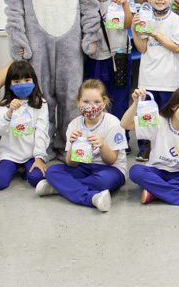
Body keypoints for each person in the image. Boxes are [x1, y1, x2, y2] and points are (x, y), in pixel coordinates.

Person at [36, 79, 127, 212]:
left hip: (110, 169)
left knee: (103, 181)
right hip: (83, 167)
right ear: (78, 102)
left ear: (104, 102)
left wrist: (103, 144)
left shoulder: (113, 123)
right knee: (52, 171)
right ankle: (92, 198)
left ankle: (60, 187)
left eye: (97, 102)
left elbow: (111, 161)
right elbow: (71, 163)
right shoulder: (74, 125)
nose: (91, 106)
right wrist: (73, 145)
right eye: (86, 102)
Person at [123, 86, 179, 205]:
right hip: (156, 172)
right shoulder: (158, 120)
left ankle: (156, 191)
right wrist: (135, 103)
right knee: (135, 171)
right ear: (173, 106)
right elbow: (125, 125)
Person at [131, 0, 179, 161]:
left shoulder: (176, 20)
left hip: (168, 79)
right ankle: (145, 148)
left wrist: (156, 34)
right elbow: (142, 48)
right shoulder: (144, 18)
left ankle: (163, 148)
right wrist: (135, 29)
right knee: (146, 115)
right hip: (147, 78)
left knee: (166, 115)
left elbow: (176, 47)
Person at [85, 0, 134, 127]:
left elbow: (128, 24)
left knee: (119, 99)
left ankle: (119, 135)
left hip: (119, 57)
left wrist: (124, 4)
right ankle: (96, 133)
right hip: (95, 58)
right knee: (95, 99)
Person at [0, 60, 49, 190]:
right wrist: (9, 113)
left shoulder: (41, 104)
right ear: (9, 84)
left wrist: (39, 157)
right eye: (16, 81)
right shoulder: (4, 105)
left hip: (31, 155)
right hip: (9, 155)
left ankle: (25, 171)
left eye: (27, 80)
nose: (22, 84)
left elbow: (42, 132)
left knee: (37, 178)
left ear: (34, 81)